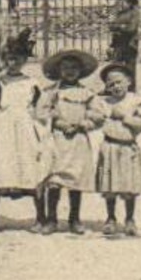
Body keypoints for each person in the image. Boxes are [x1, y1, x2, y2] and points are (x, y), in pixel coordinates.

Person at [0, 35, 50, 232]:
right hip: (3, 125)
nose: (14, 63)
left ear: (25, 60)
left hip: (24, 125)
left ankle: (40, 217)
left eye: (19, 58)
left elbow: (39, 106)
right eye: (10, 58)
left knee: (30, 164)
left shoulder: (31, 82)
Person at [35, 49, 106, 235]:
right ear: (58, 70)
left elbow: (99, 114)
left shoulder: (87, 93)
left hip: (78, 139)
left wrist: (83, 123)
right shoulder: (52, 92)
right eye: (65, 68)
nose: (70, 72)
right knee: (54, 179)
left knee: (76, 179)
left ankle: (74, 219)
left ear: (81, 71)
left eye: (74, 68)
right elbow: (41, 112)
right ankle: (52, 219)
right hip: (58, 139)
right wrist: (58, 121)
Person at [95, 62, 141, 237]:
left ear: (129, 81)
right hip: (110, 146)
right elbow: (96, 119)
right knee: (109, 184)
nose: (116, 87)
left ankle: (129, 219)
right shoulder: (104, 103)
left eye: (119, 82)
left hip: (128, 147)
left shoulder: (136, 101)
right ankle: (110, 218)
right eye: (111, 84)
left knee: (129, 185)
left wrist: (126, 117)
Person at [106, 0, 141, 90]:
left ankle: (131, 89)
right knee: (115, 67)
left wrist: (119, 27)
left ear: (130, 3)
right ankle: (111, 88)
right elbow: (111, 26)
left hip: (130, 45)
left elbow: (131, 28)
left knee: (130, 68)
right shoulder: (118, 13)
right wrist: (121, 26)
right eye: (120, 0)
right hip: (118, 44)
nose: (121, 3)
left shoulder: (134, 13)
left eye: (124, 1)